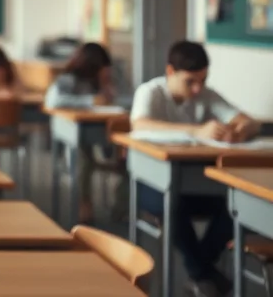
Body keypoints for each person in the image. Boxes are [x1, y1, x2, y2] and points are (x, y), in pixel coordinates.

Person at [131, 40, 260, 297]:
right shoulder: (151, 92)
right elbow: (140, 124)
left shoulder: (205, 94)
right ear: (170, 72)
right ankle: (204, 274)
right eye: (190, 81)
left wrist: (239, 130)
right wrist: (195, 130)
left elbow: (248, 121)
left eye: (202, 80)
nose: (197, 88)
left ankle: (200, 272)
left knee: (235, 205)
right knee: (172, 204)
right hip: (151, 183)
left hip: (192, 184)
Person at [45, 42, 130, 223]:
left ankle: (121, 207)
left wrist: (107, 87)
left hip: (107, 132)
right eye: (102, 68)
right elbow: (53, 101)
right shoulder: (69, 79)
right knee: (84, 158)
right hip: (79, 132)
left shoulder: (104, 79)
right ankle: (84, 202)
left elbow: (122, 101)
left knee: (132, 160)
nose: (106, 71)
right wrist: (91, 101)